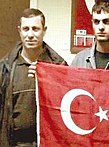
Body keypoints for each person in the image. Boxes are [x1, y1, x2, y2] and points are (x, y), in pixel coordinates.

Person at [0, 8, 66, 147]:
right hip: (14, 142)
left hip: (48, 142)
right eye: (26, 29)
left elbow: (68, 106)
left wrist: (48, 79)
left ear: (44, 30)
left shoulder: (59, 65)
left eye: (35, 29)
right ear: (19, 31)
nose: (30, 35)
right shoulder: (5, 67)